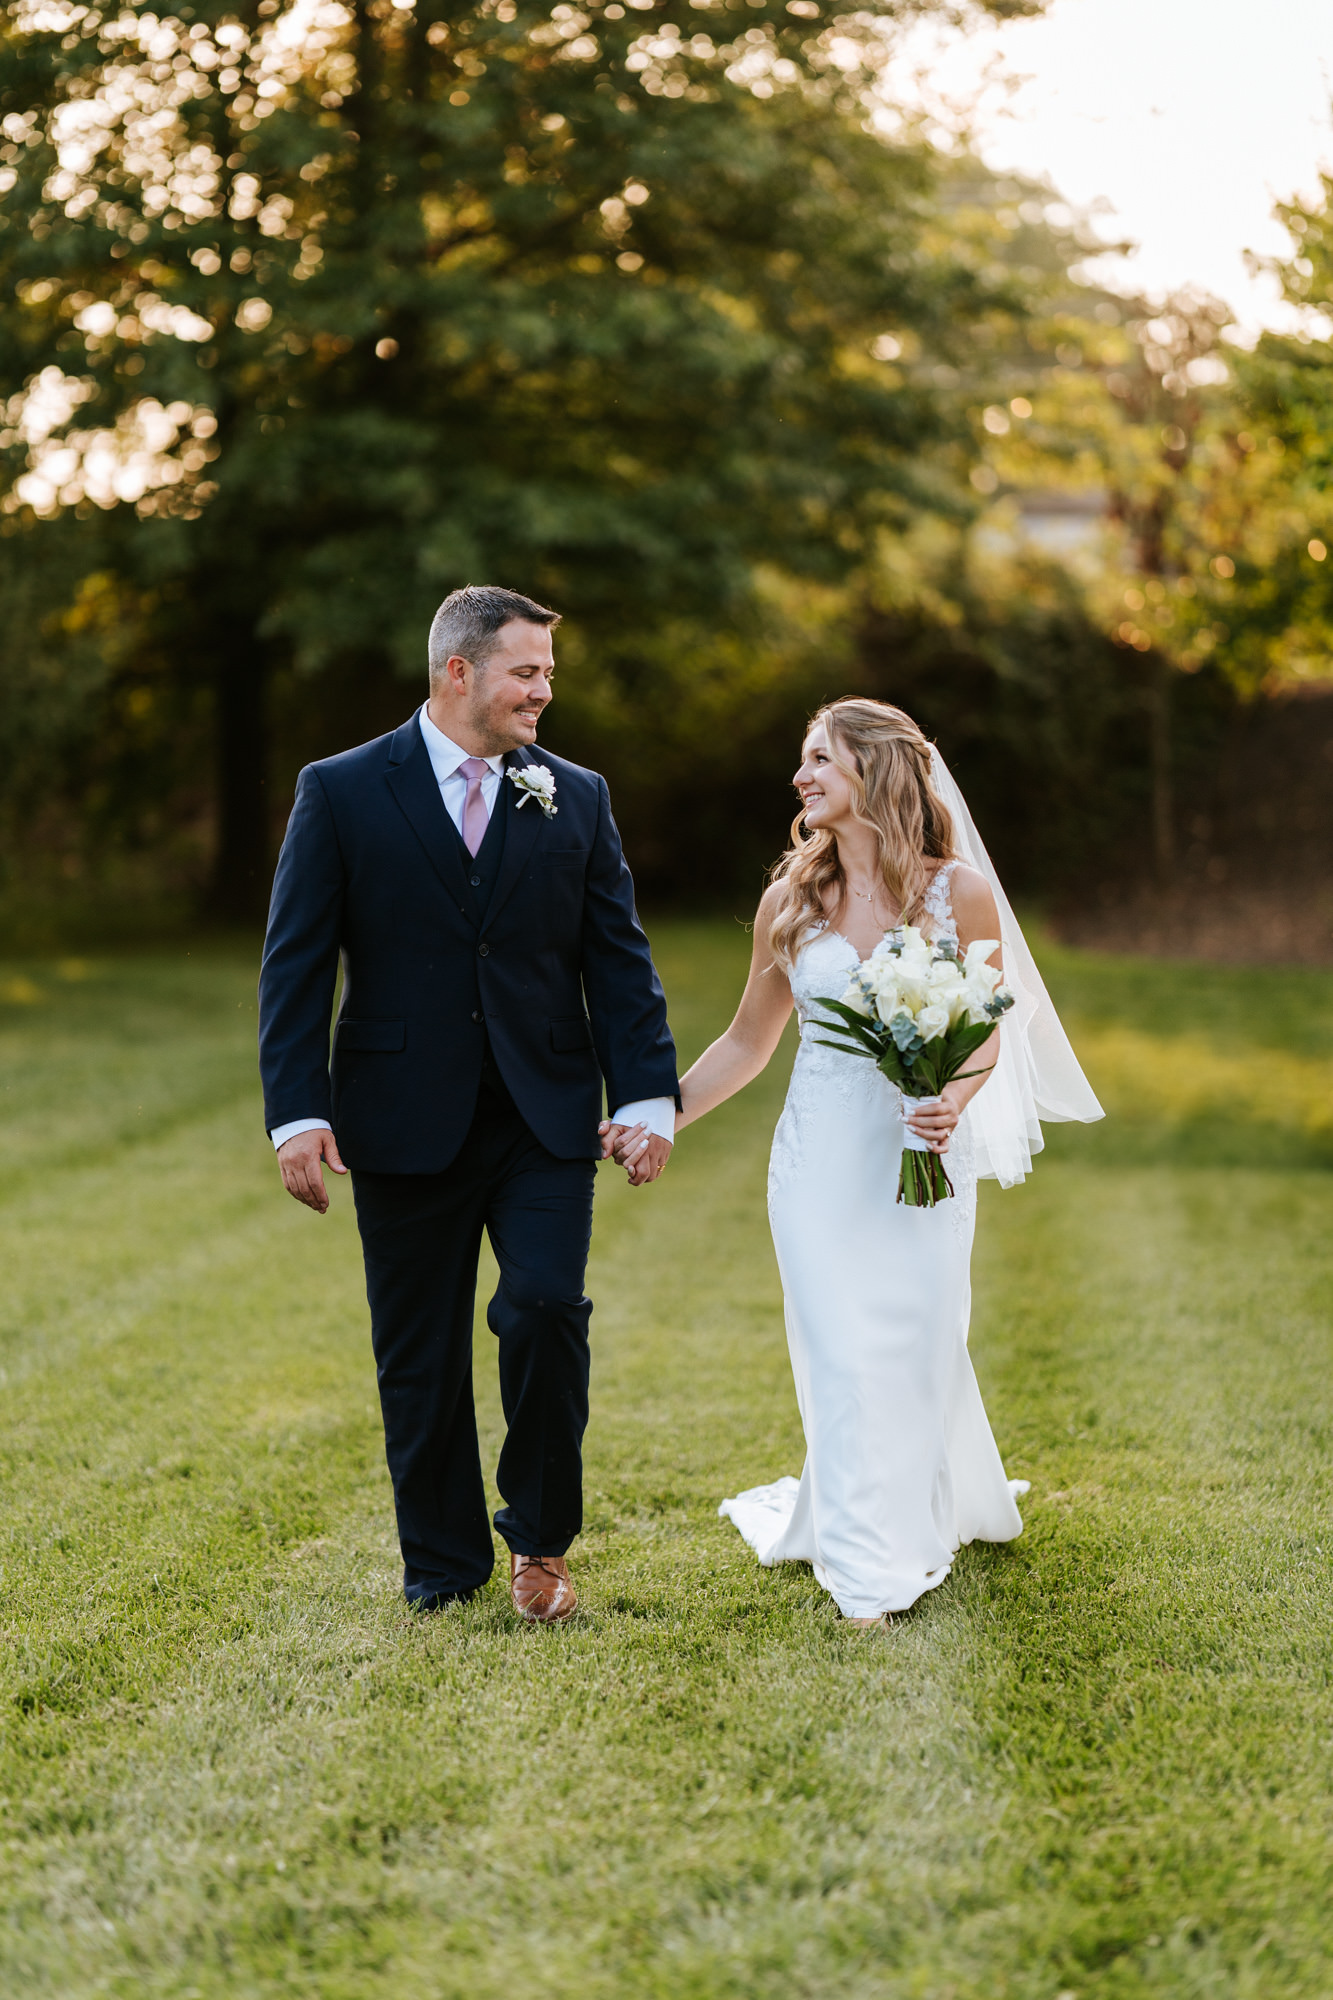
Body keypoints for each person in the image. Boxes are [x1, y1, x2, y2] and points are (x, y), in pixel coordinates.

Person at [618, 698, 1102, 1626]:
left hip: (920, 1156)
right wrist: (660, 1116)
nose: (800, 777)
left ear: (874, 773)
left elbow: (986, 1026)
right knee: (839, 1353)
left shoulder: (955, 893)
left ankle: (918, 1502)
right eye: (803, 762)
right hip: (817, 1163)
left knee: (918, 1343)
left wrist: (950, 1101)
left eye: (819, 761)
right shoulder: (789, 902)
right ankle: (863, 1567)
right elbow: (747, 1042)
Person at [258, 585, 678, 1624]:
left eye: (547, 672)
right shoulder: (343, 789)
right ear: (459, 672)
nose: (544, 690)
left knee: (543, 1308)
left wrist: (650, 1098)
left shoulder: (574, 793)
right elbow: (295, 966)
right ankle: (442, 1565)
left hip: (544, 1117)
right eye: (525, 671)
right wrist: (295, 1110)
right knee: (420, 1350)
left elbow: (618, 962)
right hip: (398, 1115)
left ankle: (540, 1542)